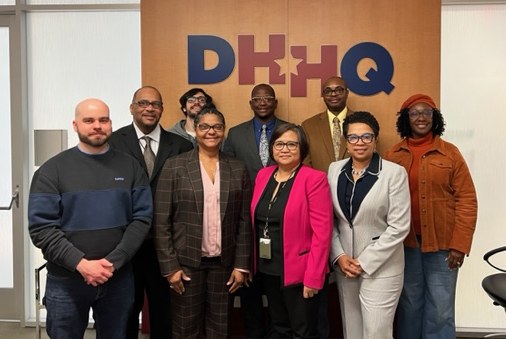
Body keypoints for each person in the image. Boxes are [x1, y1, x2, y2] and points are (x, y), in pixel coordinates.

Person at [28, 98, 152, 339]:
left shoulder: (131, 167)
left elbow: (143, 219)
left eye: (103, 120)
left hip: (117, 278)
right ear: (75, 125)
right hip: (67, 280)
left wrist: (113, 262)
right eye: (89, 120)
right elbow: (42, 228)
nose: (97, 125)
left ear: (111, 124)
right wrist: (82, 264)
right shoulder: (52, 170)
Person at [384, 94, 478, 339]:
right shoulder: (392, 155)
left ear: (435, 118)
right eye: (414, 113)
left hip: (444, 246)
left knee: (440, 309)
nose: (421, 118)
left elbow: (467, 200)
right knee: (409, 306)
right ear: (406, 119)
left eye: (427, 112)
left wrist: (460, 244)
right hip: (405, 245)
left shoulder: (450, 154)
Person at [154, 107, 252, 339]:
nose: (211, 132)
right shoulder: (174, 166)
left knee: (220, 328)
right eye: (204, 127)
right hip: (185, 266)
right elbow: (161, 222)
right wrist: (170, 268)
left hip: (224, 265)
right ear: (195, 130)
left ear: (223, 131)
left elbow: (244, 221)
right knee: (186, 328)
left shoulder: (237, 168)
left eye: (217, 127)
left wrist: (241, 265)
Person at [109, 85, 193, 339]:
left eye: (155, 104)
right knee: (125, 308)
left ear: (162, 109)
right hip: (125, 242)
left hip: (165, 243)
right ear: (132, 108)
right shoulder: (113, 142)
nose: (149, 109)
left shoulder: (180, 145)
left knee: (164, 310)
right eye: (143, 103)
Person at [328, 111, 411, 339]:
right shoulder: (334, 170)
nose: (360, 143)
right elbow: (331, 220)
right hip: (345, 267)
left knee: (376, 333)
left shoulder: (394, 174)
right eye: (353, 137)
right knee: (352, 332)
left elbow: (399, 227)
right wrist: (340, 257)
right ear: (346, 141)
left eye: (367, 137)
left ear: (375, 139)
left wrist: (364, 262)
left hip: (381, 268)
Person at [251, 123, 333, 339]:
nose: (284, 149)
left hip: (301, 271)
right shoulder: (264, 175)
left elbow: (322, 233)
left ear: (302, 148)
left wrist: (314, 277)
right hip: (268, 268)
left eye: (291, 144)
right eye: (279, 143)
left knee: (302, 332)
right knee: (278, 328)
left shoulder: (314, 179)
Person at [223, 83, 287, 338]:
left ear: (275, 102)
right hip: (245, 221)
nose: (262, 102)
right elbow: (227, 172)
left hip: (279, 220)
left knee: (276, 290)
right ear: (251, 103)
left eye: (268, 97)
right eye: (257, 98)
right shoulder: (235, 134)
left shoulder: (289, 131)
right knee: (248, 288)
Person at [301, 76, 354, 173]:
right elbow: (305, 162)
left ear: (347, 93)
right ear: (323, 95)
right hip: (319, 185)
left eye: (338, 90)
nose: (333, 94)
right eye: (328, 91)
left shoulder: (362, 122)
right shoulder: (308, 126)